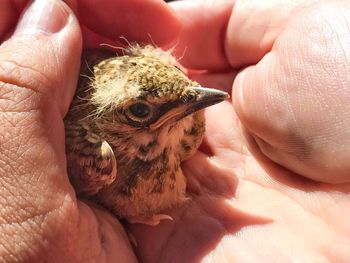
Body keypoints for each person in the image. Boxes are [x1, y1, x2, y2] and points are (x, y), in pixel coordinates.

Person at [0, 0, 349, 262]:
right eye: (140, 113)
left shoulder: (187, 124)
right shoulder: (97, 157)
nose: (193, 106)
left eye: (186, 95)